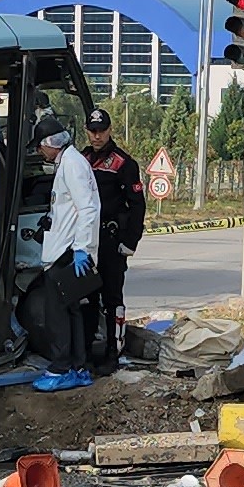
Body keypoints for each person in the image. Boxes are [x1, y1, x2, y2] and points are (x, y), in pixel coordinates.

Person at [25, 128, 101, 392]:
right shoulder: (71, 162)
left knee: (56, 313)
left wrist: (81, 247)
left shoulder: (72, 165)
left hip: (67, 251)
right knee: (72, 310)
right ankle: (78, 367)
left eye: (40, 146)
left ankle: (61, 368)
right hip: (67, 247)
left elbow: (88, 208)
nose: (39, 151)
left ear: (50, 144)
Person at [83, 107, 147, 372]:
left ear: (109, 131)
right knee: (86, 298)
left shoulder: (124, 163)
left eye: (101, 131)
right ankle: (84, 352)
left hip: (111, 240)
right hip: (87, 240)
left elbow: (137, 205)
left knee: (112, 299)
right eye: (92, 131)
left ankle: (113, 352)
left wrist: (130, 242)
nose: (97, 136)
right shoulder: (82, 159)